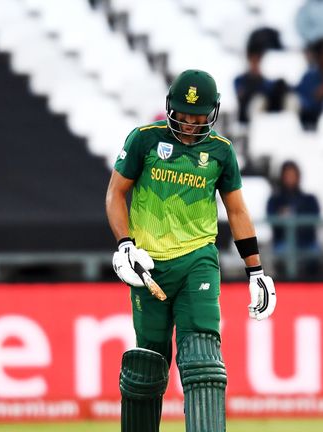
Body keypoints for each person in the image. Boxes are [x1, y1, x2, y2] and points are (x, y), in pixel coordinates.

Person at [105, 69, 277, 432]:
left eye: (198, 117)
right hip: (148, 265)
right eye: (183, 114)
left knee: (202, 357)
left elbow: (238, 210)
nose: (189, 122)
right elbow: (115, 194)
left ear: (212, 113)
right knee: (147, 365)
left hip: (198, 259)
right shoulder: (144, 140)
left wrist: (256, 271)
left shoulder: (221, 152)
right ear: (171, 108)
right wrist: (125, 246)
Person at [266, 160, 321, 275]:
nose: (290, 179)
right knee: (283, 252)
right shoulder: (275, 200)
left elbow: (315, 219)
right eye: (287, 175)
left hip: (306, 242)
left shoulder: (309, 199)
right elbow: (271, 220)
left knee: (315, 252)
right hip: (283, 242)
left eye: (293, 175)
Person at [234, 28, 288, 124]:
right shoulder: (240, 80)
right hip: (248, 119)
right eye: (253, 59)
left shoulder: (266, 82)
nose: (255, 63)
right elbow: (242, 96)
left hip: (266, 117)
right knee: (258, 101)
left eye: (258, 59)